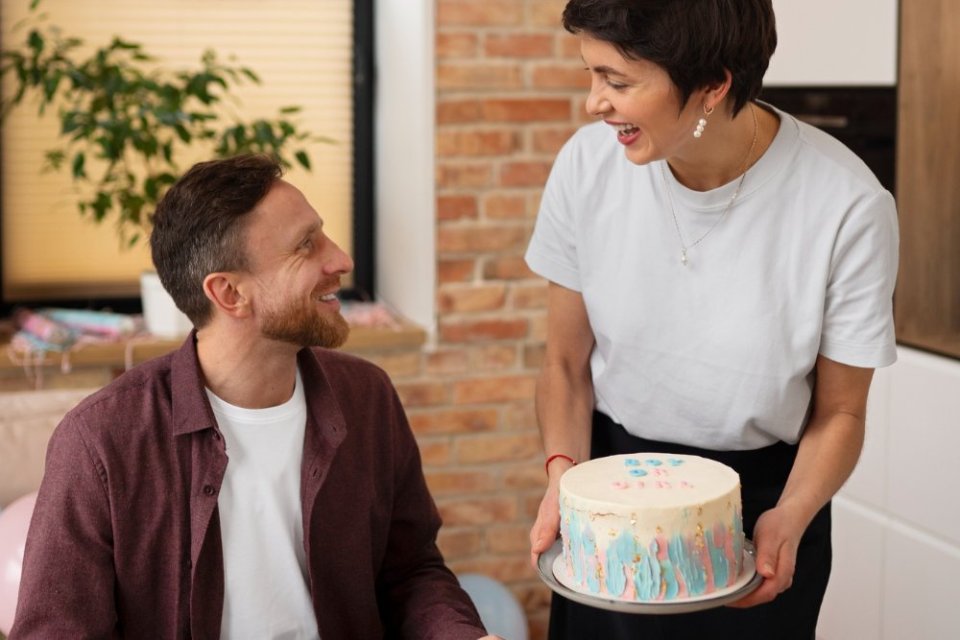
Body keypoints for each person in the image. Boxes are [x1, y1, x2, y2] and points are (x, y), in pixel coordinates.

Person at [525, 1, 898, 639]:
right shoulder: (586, 168)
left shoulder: (847, 205)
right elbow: (564, 363)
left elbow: (841, 411)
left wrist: (792, 514)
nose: (594, 103)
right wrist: (565, 475)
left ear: (712, 85)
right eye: (592, 74)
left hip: (764, 507)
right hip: (610, 499)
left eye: (618, 82)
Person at [10, 154, 498, 640]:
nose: (341, 260)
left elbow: (410, 573)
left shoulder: (367, 397)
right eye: (305, 246)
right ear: (229, 293)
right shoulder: (99, 442)